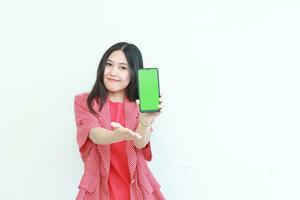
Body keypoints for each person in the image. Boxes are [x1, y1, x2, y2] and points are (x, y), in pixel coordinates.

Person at [73, 42, 165, 200]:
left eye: (122, 67)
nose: (113, 72)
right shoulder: (84, 101)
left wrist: (144, 123)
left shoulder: (140, 105)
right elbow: (94, 134)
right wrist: (117, 135)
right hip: (98, 191)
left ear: (134, 73)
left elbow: (140, 143)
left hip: (138, 191)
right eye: (109, 64)